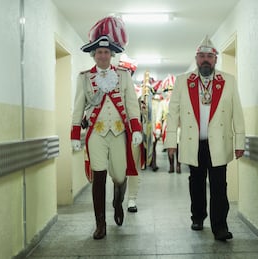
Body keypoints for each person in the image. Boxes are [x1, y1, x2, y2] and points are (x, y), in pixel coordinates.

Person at [164, 35, 245, 241]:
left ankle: (220, 227)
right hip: (194, 143)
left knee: (219, 185)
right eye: (201, 56)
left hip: (219, 143)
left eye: (209, 56)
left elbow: (237, 112)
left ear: (216, 59)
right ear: (196, 59)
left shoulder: (228, 81)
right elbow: (173, 114)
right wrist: (171, 142)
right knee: (196, 182)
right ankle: (198, 217)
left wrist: (239, 142)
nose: (205, 60)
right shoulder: (183, 82)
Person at [70, 16, 143, 240]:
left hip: (119, 132)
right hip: (96, 134)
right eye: (99, 52)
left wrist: (137, 128)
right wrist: (74, 133)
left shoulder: (122, 76)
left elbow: (131, 104)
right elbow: (78, 106)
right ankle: (100, 223)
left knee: (120, 176)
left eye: (106, 52)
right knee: (99, 176)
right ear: (94, 55)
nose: (102, 55)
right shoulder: (84, 78)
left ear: (112, 54)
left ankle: (118, 202)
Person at [118, 54, 141, 213]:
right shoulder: (111, 87)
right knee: (117, 168)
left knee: (133, 167)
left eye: (127, 70)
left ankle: (132, 198)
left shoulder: (140, 91)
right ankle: (118, 197)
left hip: (133, 133)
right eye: (121, 69)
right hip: (116, 132)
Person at [155, 75, 181, 173]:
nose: (170, 93)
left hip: (179, 127)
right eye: (168, 91)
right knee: (170, 146)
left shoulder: (180, 102)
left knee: (178, 147)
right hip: (167, 126)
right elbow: (158, 116)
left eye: (172, 91)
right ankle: (171, 166)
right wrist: (158, 128)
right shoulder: (162, 103)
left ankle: (178, 165)